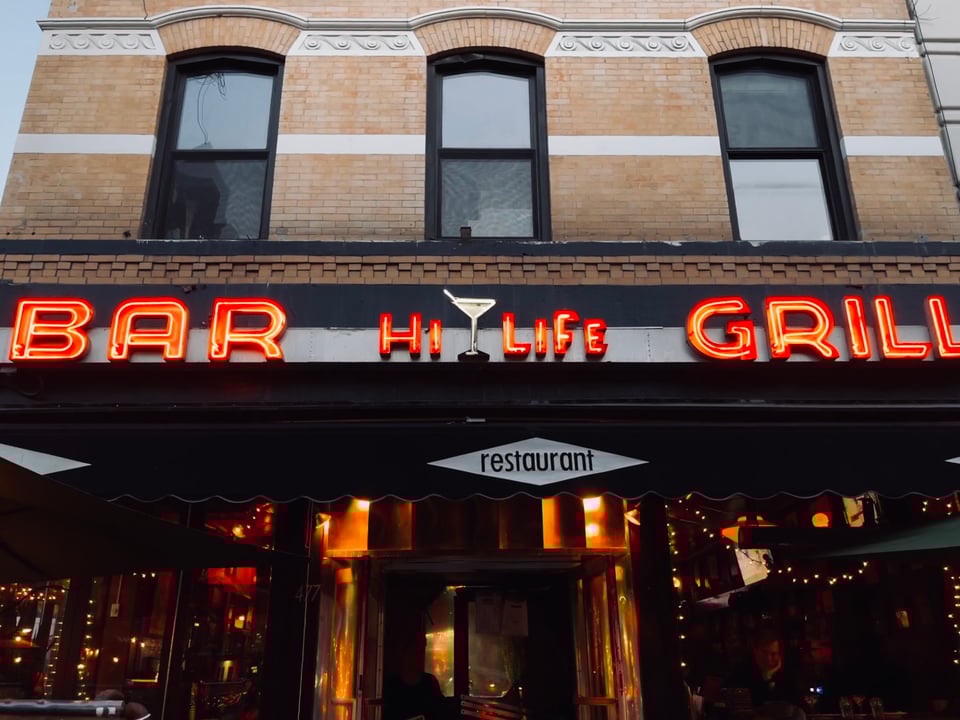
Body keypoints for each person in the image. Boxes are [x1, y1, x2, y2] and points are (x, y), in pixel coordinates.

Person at [728, 628, 806, 720]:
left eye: (773, 654)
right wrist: (766, 678)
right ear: (756, 651)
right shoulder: (742, 670)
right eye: (764, 653)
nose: (768, 658)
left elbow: (796, 701)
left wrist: (769, 677)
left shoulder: (787, 672)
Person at [383, 625, 443, 720]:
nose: (414, 659)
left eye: (418, 653)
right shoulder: (391, 686)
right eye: (411, 653)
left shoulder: (430, 683)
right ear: (402, 654)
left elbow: (440, 712)